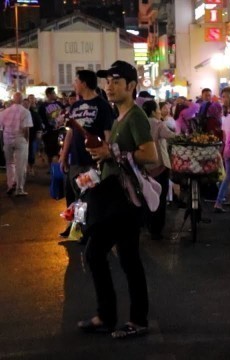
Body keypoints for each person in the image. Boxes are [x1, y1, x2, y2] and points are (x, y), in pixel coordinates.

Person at [79, 60, 158, 339]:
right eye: (107, 82)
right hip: (114, 194)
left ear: (132, 86)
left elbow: (150, 155)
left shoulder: (135, 116)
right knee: (125, 258)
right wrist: (103, 156)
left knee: (99, 253)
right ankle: (122, 317)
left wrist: (113, 154)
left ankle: (117, 317)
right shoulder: (119, 115)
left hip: (124, 200)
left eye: (115, 81)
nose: (109, 87)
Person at [58, 70, 114, 239]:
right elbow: (70, 133)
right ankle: (75, 226)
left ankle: (87, 231)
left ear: (84, 83)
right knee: (74, 194)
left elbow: (107, 134)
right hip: (75, 159)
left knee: (88, 196)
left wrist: (106, 154)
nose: (74, 84)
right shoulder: (75, 106)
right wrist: (64, 155)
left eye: (76, 81)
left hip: (92, 161)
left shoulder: (102, 105)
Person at [141, 100, 176, 240]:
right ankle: (156, 229)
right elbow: (171, 136)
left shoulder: (141, 124)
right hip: (159, 166)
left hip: (144, 166)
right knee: (160, 199)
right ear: (153, 111)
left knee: (145, 197)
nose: (160, 111)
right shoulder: (158, 124)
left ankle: (146, 224)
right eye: (158, 108)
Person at [0, 92, 33, 196]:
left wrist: (2, 142)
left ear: (13, 99)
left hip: (7, 139)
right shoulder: (25, 112)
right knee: (21, 165)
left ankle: (11, 184)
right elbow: (26, 129)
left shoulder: (4, 112)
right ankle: (19, 189)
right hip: (20, 139)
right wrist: (27, 140)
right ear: (22, 100)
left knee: (9, 164)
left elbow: (1, 129)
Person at [38, 87, 64, 164]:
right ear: (48, 95)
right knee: (49, 150)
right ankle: (51, 167)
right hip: (49, 131)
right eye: (53, 93)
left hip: (60, 130)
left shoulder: (59, 104)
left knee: (59, 148)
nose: (55, 95)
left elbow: (64, 113)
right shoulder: (43, 106)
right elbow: (41, 119)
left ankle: (60, 166)